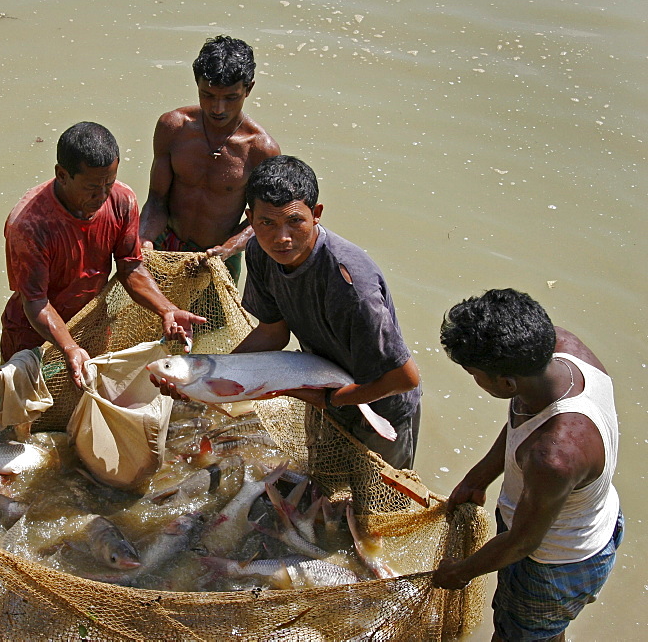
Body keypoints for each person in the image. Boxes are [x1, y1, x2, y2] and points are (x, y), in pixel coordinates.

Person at [152, 155, 422, 469]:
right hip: (321, 386)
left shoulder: (351, 288)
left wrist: (331, 400)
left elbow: (405, 377)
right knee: (325, 496)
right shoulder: (261, 252)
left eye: (295, 221)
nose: (282, 237)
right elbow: (273, 333)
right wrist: (206, 377)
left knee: (376, 508)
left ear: (316, 214)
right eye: (267, 222)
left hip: (382, 402)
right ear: (250, 220)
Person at [433, 289, 622, 642]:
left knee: (517, 635)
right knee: (542, 634)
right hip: (587, 516)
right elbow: (525, 421)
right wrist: (482, 474)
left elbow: (522, 543)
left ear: (506, 383)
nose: (475, 381)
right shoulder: (560, 349)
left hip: (554, 565)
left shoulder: (554, 455)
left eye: (475, 374)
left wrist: (459, 572)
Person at [1, 121, 205, 388]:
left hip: (91, 324)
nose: (102, 195)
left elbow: (130, 268)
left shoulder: (122, 200)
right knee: (23, 412)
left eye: (108, 183)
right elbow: (35, 302)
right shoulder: (29, 225)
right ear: (62, 175)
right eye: (91, 187)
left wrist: (167, 309)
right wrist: (69, 348)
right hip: (33, 333)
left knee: (84, 402)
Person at [139, 35, 280, 282]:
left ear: (249, 89)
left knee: (210, 322)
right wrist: (144, 239)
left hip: (217, 256)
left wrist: (229, 248)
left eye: (230, 97)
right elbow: (157, 199)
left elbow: (263, 219)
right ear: (196, 84)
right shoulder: (173, 127)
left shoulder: (261, 150)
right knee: (149, 316)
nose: (218, 108)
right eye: (208, 95)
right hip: (165, 242)